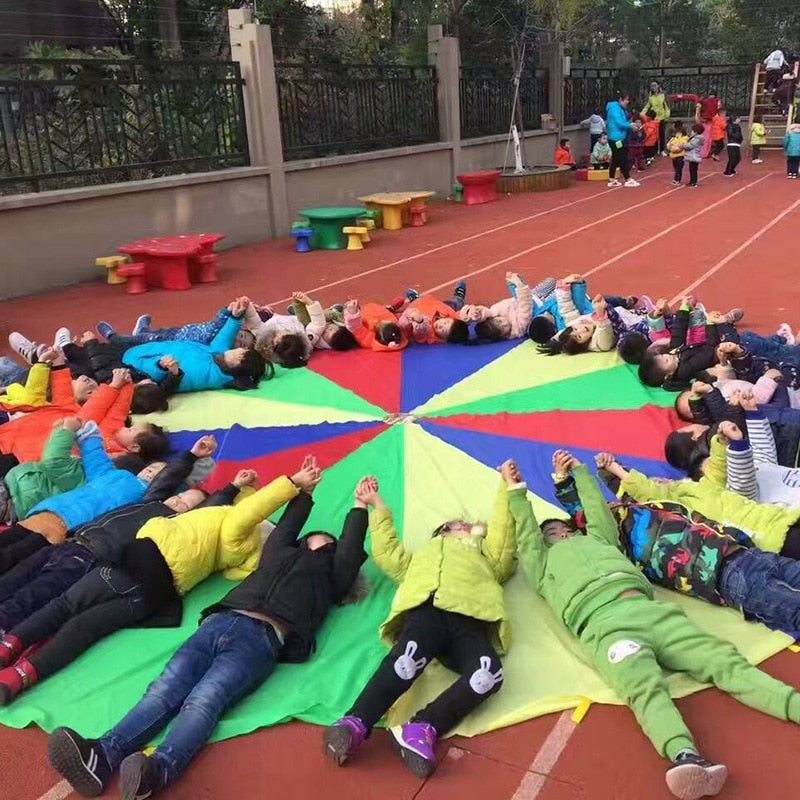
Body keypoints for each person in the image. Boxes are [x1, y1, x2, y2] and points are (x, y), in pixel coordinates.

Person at [48, 466, 370, 800]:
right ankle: (101, 755)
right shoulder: (277, 553)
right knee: (164, 687)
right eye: (315, 540)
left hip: (261, 638)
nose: (321, 544)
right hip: (221, 619)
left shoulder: (331, 577)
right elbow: (285, 530)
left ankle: (158, 770)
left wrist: (359, 506)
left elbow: (348, 553)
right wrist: (303, 492)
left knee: (204, 700)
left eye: (328, 545)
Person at [510, 453, 800, 800]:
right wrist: (516, 491)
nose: (560, 533)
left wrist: (580, 473)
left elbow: (597, 512)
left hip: (649, 610)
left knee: (723, 660)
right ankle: (684, 756)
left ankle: (793, 705)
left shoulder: (601, 540)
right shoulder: (541, 565)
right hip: (605, 627)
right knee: (643, 686)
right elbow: (527, 536)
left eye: (564, 528)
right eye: (552, 534)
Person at [0, 459, 314, 707]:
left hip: (142, 561)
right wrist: (242, 487)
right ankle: (21, 676)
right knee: (86, 627)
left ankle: (9, 646)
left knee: (65, 605)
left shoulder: (232, 529)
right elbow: (244, 512)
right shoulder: (234, 554)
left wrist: (292, 485)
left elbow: (251, 510)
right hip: (156, 594)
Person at [323, 464, 518, 778]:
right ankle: (355, 722)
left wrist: (506, 487)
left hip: (471, 618)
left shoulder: (486, 557)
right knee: (405, 661)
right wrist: (378, 506)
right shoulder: (419, 560)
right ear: (440, 533)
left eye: (468, 526)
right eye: (454, 525)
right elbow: (386, 553)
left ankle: (422, 728)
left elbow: (504, 538)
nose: (463, 527)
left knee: (489, 674)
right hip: (427, 610)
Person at [551, 448, 800, 635]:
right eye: (603, 506)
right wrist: (564, 481)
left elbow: (640, 490)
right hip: (725, 575)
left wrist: (611, 468)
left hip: (749, 554)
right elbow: (588, 513)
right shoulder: (620, 541)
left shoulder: (649, 510)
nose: (608, 503)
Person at [0, 434, 217, 642]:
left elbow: (194, 499)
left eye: (184, 504)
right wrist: (192, 455)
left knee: (29, 597)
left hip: (87, 557)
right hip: (71, 541)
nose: (177, 501)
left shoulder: (164, 522)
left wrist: (226, 484)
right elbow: (166, 480)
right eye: (178, 497)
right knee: (13, 579)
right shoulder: (146, 498)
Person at [391, 283, 470, 344]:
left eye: (442, 330)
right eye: (446, 322)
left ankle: (414, 299)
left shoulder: (427, 333)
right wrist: (468, 315)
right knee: (456, 304)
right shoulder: (451, 317)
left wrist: (419, 320)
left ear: (444, 338)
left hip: (416, 311)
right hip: (435, 306)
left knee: (398, 320)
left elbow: (421, 330)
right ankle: (459, 295)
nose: (441, 324)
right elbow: (460, 316)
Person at [605, 92, 640, 188]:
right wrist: (631, 126)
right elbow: (620, 123)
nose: (627, 102)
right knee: (623, 157)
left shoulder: (619, 109)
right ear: (621, 99)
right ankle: (628, 179)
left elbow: (623, 121)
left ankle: (612, 179)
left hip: (617, 137)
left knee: (616, 158)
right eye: (626, 100)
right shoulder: (615, 109)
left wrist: (630, 123)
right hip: (616, 138)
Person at [642, 80, 671, 155]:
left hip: (661, 118)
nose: (653, 87)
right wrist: (642, 114)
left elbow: (667, 106)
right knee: (653, 135)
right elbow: (647, 106)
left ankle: (662, 150)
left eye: (655, 85)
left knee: (661, 134)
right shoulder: (651, 96)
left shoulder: (663, 95)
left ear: (658, 86)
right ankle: (654, 151)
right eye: (652, 86)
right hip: (653, 119)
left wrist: (667, 116)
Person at [683, 124, 705, 188]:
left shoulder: (696, 139)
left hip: (694, 156)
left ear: (695, 132)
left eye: (692, 131)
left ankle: (693, 182)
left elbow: (690, 146)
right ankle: (692, 181)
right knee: (692, 169)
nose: (691, 132)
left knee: (693, 169)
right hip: (693, 156)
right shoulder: (696, 138)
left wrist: (682, 145)